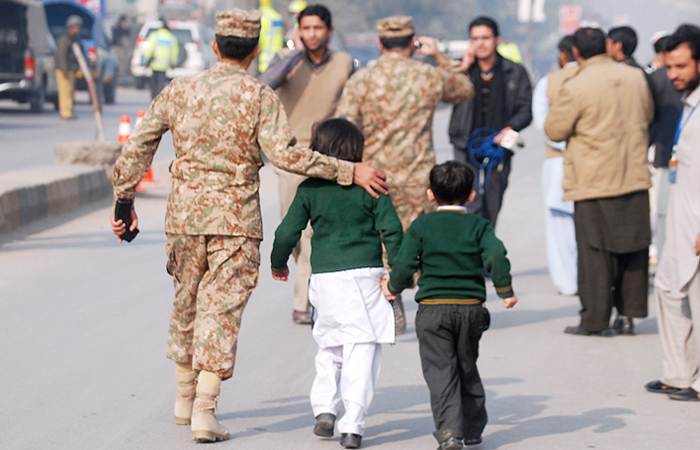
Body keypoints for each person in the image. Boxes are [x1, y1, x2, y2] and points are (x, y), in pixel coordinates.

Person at [109, 9, 387, 443]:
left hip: (183, 219)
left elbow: (139, 143)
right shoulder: (259, 96)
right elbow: (287, 157)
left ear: (216, 46)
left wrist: (124, 200)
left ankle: (183, 400)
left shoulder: (179, 90)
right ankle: (204, 411)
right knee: (220, 311)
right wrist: (349, 171)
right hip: (236, 222)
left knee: (186, 302)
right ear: (255, 51)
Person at [336, 15, 474, 335]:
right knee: (422, 241)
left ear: (380, 43)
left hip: (375, 176)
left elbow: (345, 124)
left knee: (384, 241)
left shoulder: (362, 80)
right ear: (414, 43)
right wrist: (439, 55)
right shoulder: (429, 75)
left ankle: (389, 297)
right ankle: (432, 304)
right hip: (418, 176)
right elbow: (464, 89)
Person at [271, 118, 403, 448]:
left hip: (325, 280)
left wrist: (278, 263)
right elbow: (393, 232)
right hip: (365, 278)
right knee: (362, 349)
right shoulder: (372, 186)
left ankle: (324, 409)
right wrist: (398, 276)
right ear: (357, 150)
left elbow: (287, 232)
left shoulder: (309, 190)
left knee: (329, 344)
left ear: (319, 151)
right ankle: (353, 425)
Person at [381, 161, 518, 450]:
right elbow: (496, 255)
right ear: (471, 196)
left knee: (441, 370)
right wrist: (505, 291)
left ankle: (450, 433)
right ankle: (473, 428)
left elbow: (405, 263)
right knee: (466, 365)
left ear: (431, 195)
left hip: (433, 311)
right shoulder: (479, 225)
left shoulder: (422, 226)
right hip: (471, 310)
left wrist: (392, 288)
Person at [544, 27, 653, 337]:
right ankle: (629, 315)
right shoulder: (635, 76)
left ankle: (595, 320)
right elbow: (647, 115)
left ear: (576, 53)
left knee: (595, 253)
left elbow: (554, 130)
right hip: (632, 174)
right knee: (634, 248)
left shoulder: (576, 84)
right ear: (606, 45)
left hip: (593, 180)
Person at [260, 4, 353, 325]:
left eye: (318, 28)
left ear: (329, 31)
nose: (312, 34)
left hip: (326, 156)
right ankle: (307, 282)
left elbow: (352, 104)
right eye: (306, 28)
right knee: (293, 229)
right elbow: (263, 85)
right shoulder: (286, 61)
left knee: (314, 231)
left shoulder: (344, 62)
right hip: (289, 156)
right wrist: (294, 56)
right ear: (299, 31)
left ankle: (303, 302)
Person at [645, 25, 700, 402]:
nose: (673, 74)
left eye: (681, 66)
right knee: (667, 287)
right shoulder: (689, 104)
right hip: (682, 213)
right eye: (670, 67)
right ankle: (680, 373)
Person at [448, 17, 532, 228]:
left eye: (486, 38)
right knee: (470, 200)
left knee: (493, 201)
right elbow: (444, 93)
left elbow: (526, 108)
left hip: (499, 147)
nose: (480, 43)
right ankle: (471, 252)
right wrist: (463, 68)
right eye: (475, 38)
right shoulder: (461, 69)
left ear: (497, 39)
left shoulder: (515, 71)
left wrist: (510, 128)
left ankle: (486, 247)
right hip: (466, 143)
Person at [531, 35, 578, 296]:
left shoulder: (548, 82)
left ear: (562, 56)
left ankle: (567, 281)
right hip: (590, 162)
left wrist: (564, 144)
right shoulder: (595, 80)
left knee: (559, 227)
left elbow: (544, 124)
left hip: (557, 161)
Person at [647, 35, 683, 260]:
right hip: (667, 157)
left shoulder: (656, 78)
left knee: (663, 211)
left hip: (663, 156)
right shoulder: (660, 79)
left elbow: (648, 120)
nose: (674, 74)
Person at [55, 15, 84, 120]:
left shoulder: (75, 39)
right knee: (65, 91)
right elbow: (61, 55)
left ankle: (69, 110)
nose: (77, 30)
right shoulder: (64, 39)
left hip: (72, 69)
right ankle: (65, 112)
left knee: (71, 91)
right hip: (64, 69)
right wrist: (64, 69)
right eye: (75, 27)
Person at [144, 18, 178, 99]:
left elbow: (150, 49)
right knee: (161, 84)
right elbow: (174, 52)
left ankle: (154, 98)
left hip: (154, 63)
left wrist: (147, 60)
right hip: (164, 64)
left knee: (154, 84)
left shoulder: (155, 35)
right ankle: (159, 98)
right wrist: (173, 63)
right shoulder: (171, 38)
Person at [258, 0, 284, 73]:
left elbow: (259, 37)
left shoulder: (263, 17)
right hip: (279, 55)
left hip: (265, 58)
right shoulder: (276, 16)